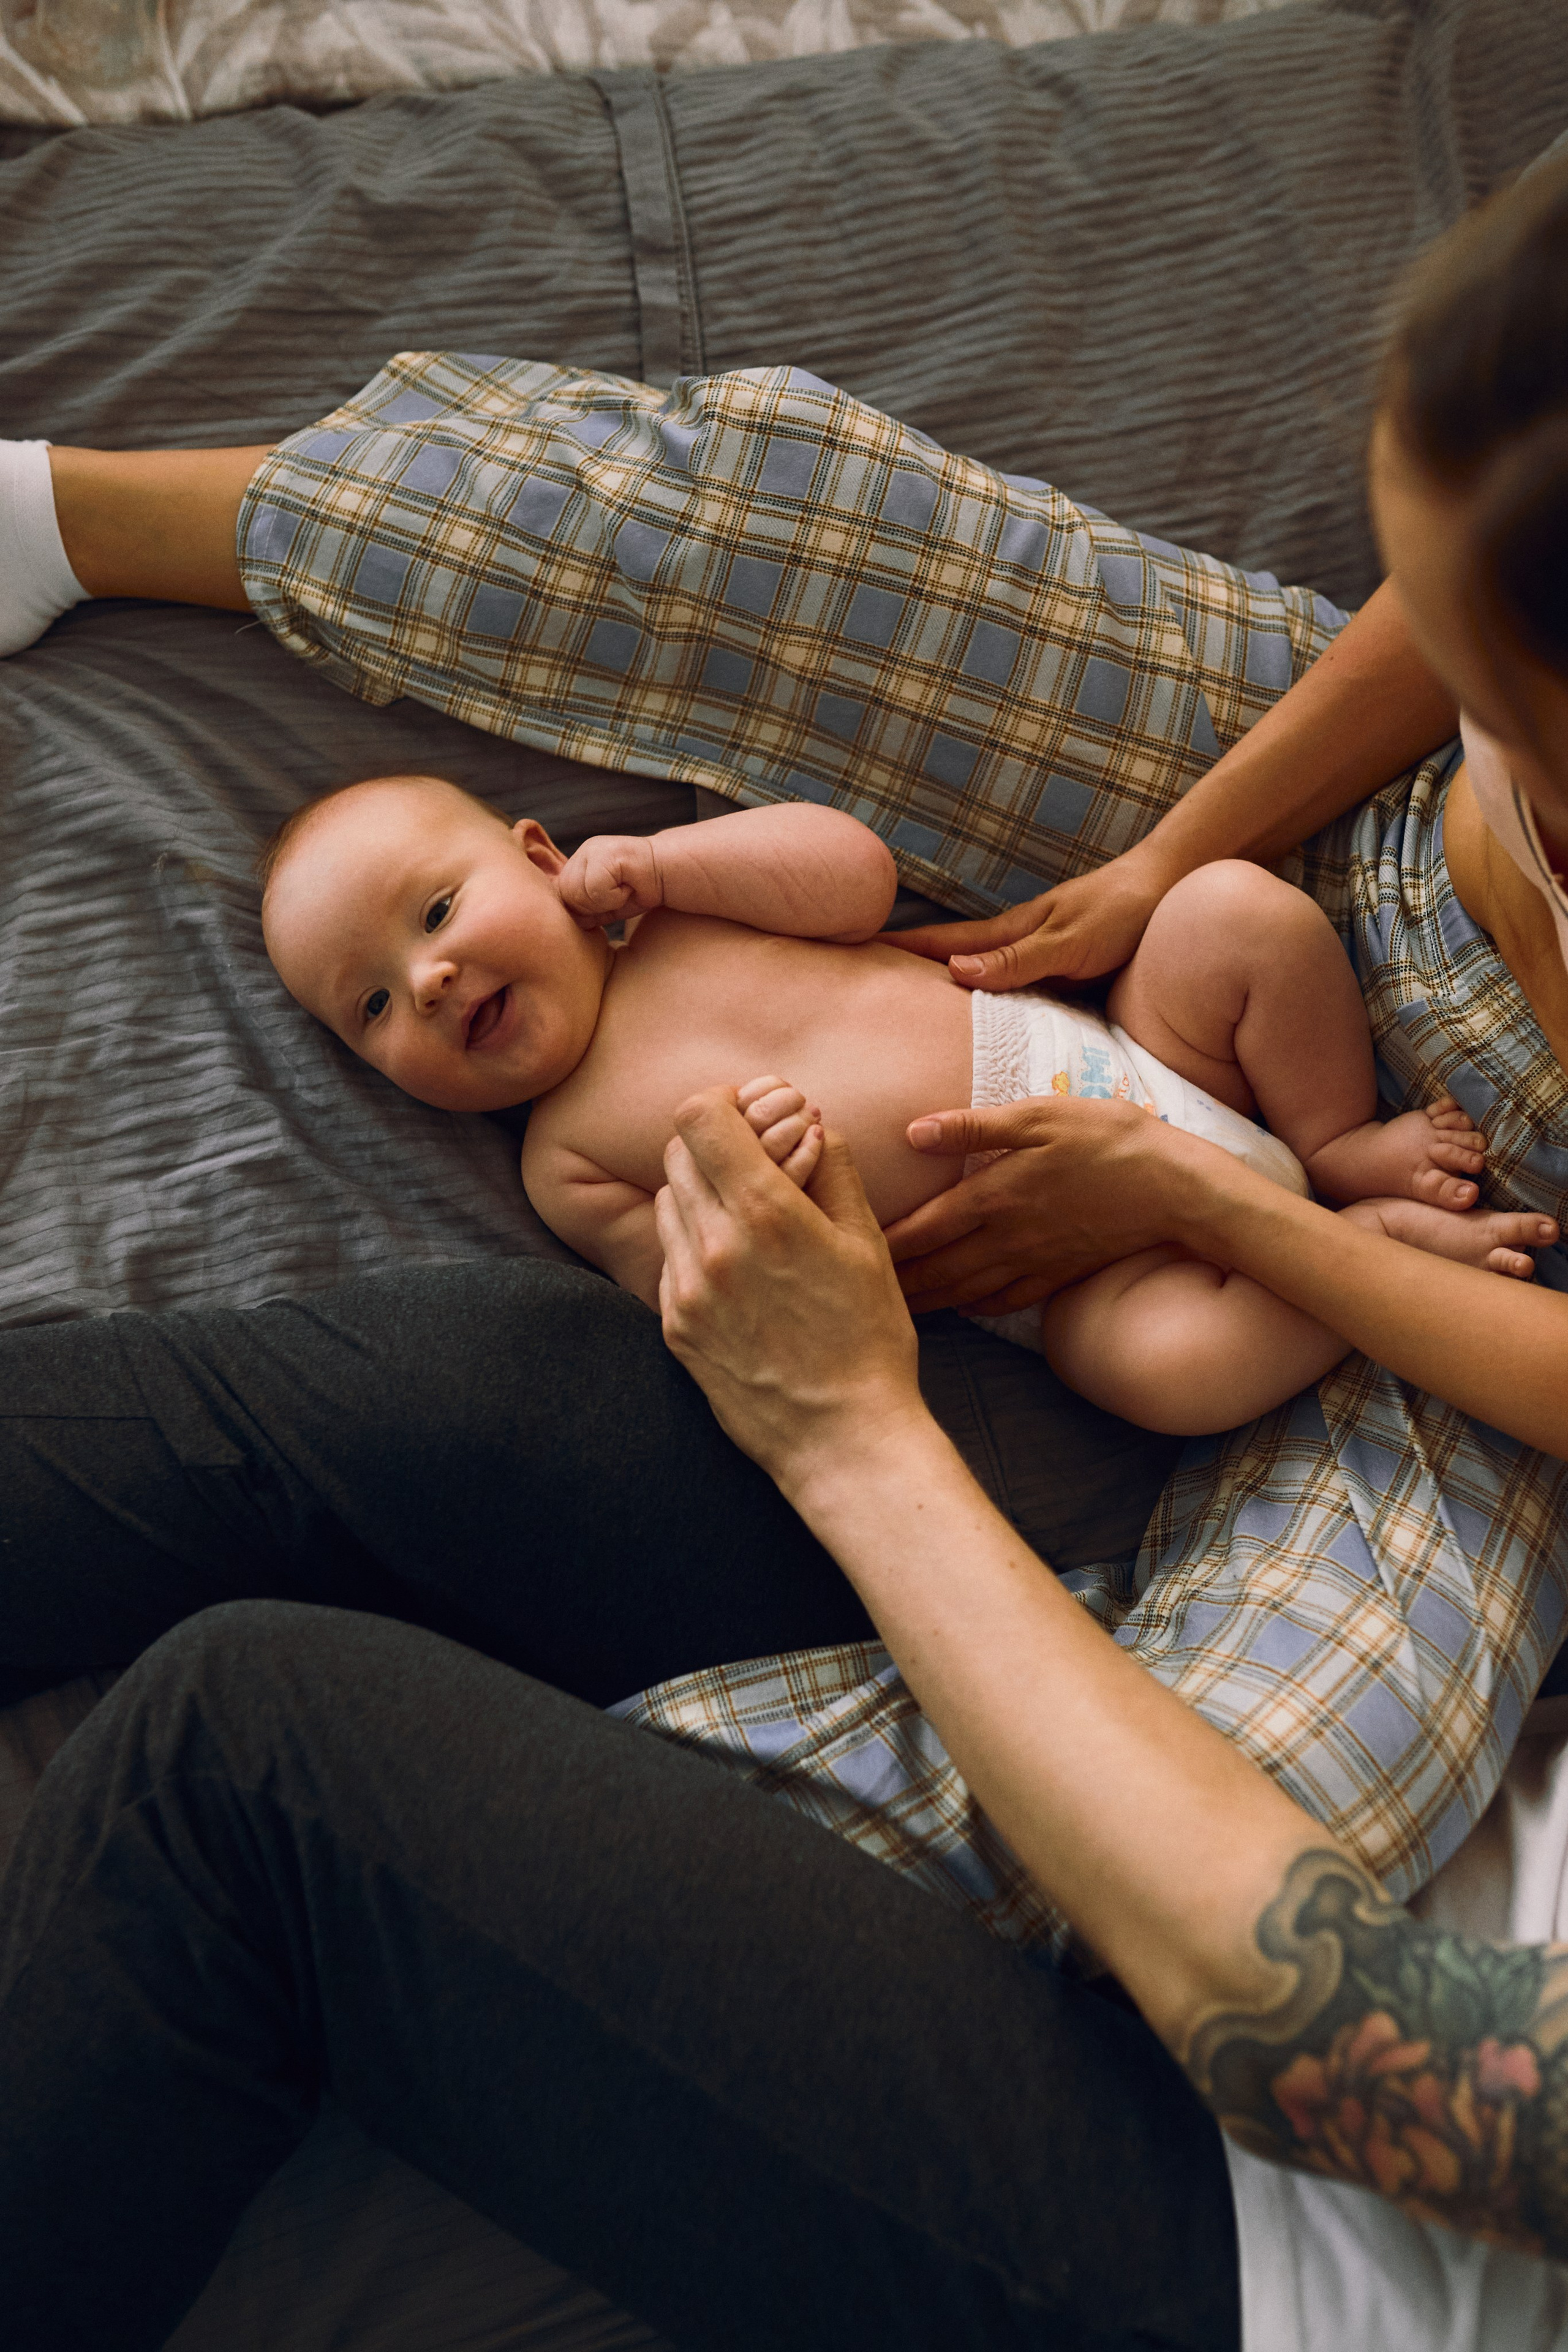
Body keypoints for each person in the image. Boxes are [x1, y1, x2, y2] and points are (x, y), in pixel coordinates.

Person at [257, 771, 1545, 1435]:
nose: (423, 983)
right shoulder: (562, 1161)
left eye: (434, 913)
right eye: (367, 1007)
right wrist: (748, 1196)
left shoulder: (669, 907)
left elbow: (855, 881)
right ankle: (1355, 1255)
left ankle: (1328, 1140)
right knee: (1154, 1373)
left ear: (540, 858)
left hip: (1134, 1056)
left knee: (1229, 913)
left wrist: (666, 859)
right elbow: (706, 1289)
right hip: (1078, 1274)